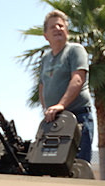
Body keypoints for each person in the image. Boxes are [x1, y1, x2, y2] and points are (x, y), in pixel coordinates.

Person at [39, 10, 94, 162]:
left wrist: (60, 105)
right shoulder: (45, 58)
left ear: (67, 31)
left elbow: (78, 79)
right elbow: (42, 86)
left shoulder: (75, 50)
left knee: (77, 166)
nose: (58, 28)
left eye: (61, 25)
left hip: (77, 117)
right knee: (52, 166)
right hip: (54, 121)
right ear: (46, 36)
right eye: (53, 27)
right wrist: (47, 109)